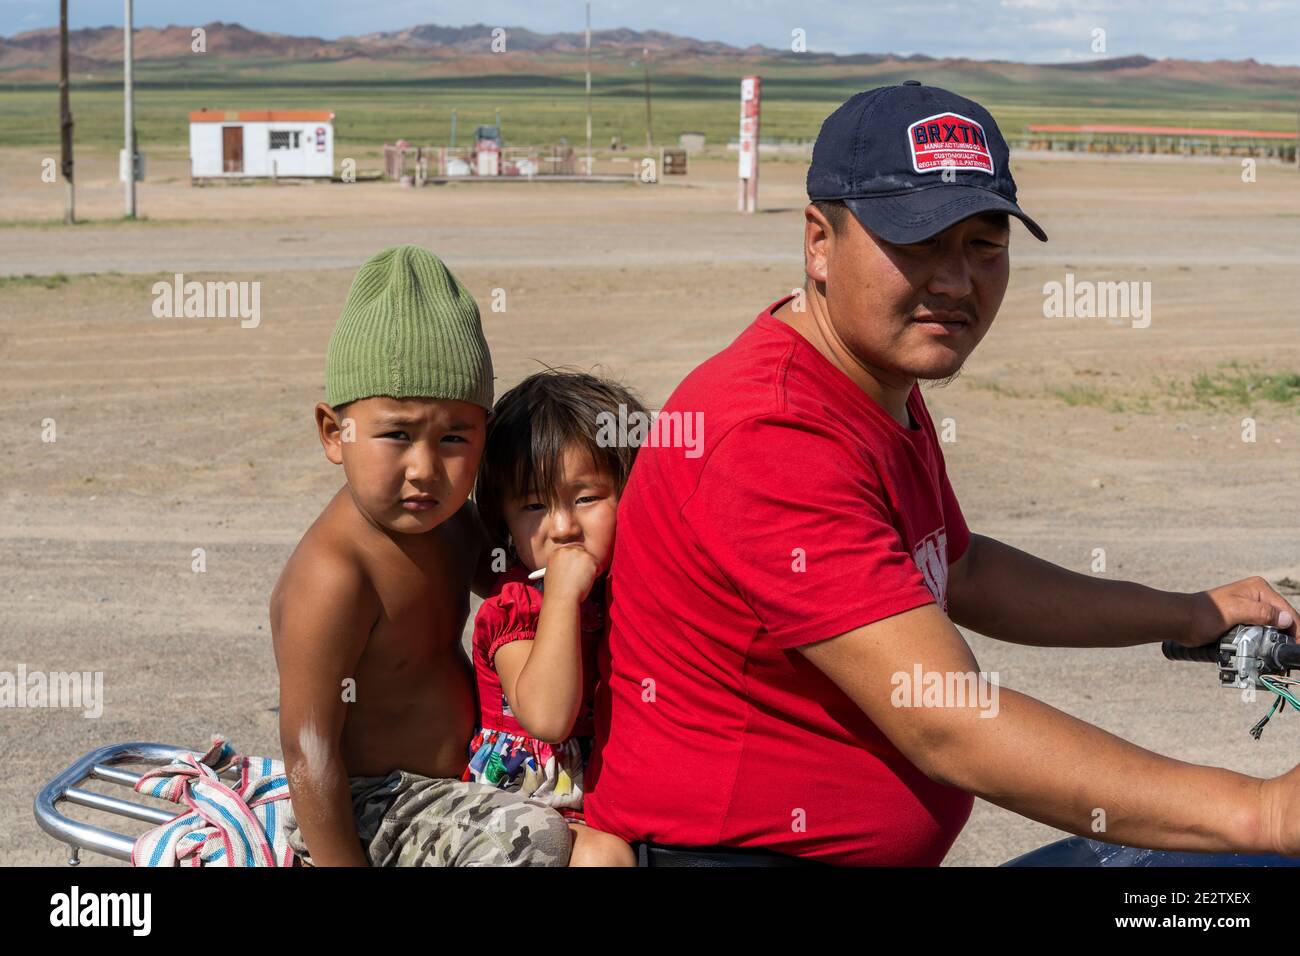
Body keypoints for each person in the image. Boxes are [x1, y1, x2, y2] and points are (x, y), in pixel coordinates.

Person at [583, 82, 1300, 866]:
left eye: (984, 246)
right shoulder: (769, 432)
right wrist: (1260, 811)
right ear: (819, 242)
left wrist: (1186, 612)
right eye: (918, 243)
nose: (957, 282)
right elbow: (947, 721)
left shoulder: (868, 380)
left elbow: (959, 567)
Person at [272, 245, 571, 867]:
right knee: (536, 840)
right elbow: (309, 750)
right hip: (375, 807)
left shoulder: (448, 522)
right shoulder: (334, 575)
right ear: (335, 433)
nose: (425, 470)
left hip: (463, 780)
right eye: (397, 435)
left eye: (454, 438)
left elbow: (515, 584)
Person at [465, 370, 640, 866]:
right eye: (534, 506)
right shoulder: (515, 609)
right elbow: (547, 719)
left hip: (606, 790)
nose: (563, 527)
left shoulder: (627, 588)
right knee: (604, 858)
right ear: (503, 520)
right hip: (526, 801)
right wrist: (561, 596)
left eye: (586, 498)